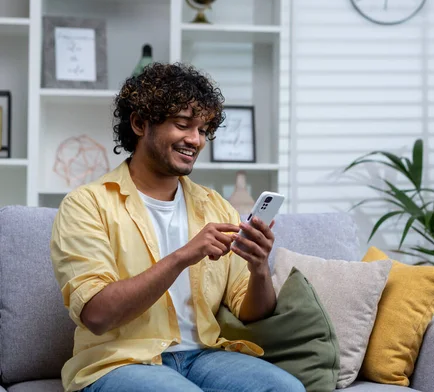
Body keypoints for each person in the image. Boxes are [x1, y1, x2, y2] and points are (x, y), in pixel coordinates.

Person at [50, 62, 305, 392]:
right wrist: (183, 255)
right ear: (140, 123)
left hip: (204, 356)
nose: (195, 140)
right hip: (121, 362)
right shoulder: (87, 205)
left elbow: (250, 313)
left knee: (287, 389)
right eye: (183, 125)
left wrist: (258, 269)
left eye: (202, 130)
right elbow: (97, 315)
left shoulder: (215, 206)